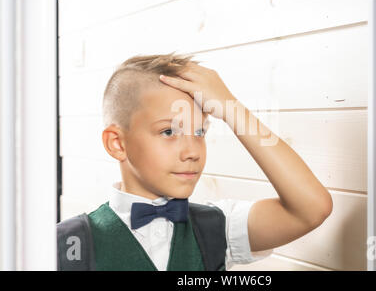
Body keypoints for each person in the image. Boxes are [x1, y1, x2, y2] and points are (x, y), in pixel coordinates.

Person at [56, 52, 333, 271]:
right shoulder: (63, 244)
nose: (193, 151)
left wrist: (231, 108)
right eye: (169, 132)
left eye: (199, 132)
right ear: (117, 143)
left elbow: (311, 208)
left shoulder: (217, 227)